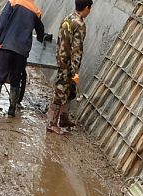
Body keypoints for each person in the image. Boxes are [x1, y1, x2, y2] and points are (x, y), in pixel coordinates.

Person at [0, 0, 46, 119]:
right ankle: (12, 109)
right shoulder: (35, 10)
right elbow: (40, 32)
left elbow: (2, 23)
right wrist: (41, 37)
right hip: (22, 52)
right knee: (16, 79)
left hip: (6, 47)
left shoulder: (13, 2)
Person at [46, 0, 92, 135]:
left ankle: (64, 118)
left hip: (61, 59)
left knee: (69, 91)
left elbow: (61, 41)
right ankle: (52, 123)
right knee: (61, 91)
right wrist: (75, 69)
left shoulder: (67, 18)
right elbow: (76, 49)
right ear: (87, 7)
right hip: (69, 63)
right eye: (90, 8)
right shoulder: (80, 24)